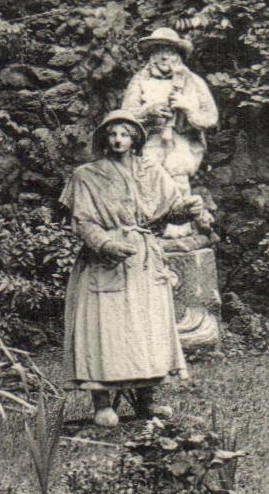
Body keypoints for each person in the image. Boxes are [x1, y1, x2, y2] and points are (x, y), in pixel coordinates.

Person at [61, 109, 206, 427]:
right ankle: (101, 403)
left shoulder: (151, 170)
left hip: (143, 261)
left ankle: (146, 404)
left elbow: (170, 212)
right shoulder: (87, 175)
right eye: (112, 134)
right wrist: (103, 244)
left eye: (124, 134)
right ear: (104, 139)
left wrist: (188, 209)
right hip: (106, 262)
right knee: (104, 330)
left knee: (147, 330)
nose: (118, 140)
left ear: (136, 139)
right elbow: (82, 221)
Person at [119, 26, 217, 236]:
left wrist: (187, 106)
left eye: (169, 51)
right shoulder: (140, 80)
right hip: (152, 138)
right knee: (148, 171)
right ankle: (152, 224)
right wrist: (148, 112)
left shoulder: (192, 81)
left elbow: (210, 118)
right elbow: (126, 115)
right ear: (151, 55)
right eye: (158, 50)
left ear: (178, 55)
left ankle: (180, 224)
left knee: (176, 167)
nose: (164, 56)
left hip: (182, 139)